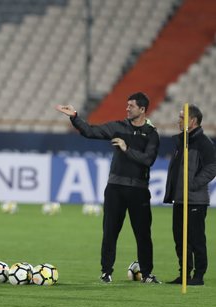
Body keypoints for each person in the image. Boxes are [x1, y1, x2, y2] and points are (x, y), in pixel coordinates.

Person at [55, 92, 161, 283]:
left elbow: (148, 160)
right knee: (110, 231)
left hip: (139, 191)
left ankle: (147, 274)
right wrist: (75, 117)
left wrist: (126, 148)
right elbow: (90, 131)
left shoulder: (152, 134)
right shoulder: (118, 127)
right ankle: (106, 272)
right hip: (115, 189)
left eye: (131, 106)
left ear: (142, 109)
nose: (127, 108)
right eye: (127, 105)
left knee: (143, 234)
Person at [164, 105, 216, 286]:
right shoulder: (181, 141)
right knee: (180, 238)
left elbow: (212, 168)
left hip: (195, 200)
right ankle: (184, 273)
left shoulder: (204, 143)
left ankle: (199, 275)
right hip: (180, 199)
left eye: (181, 117)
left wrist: (192, 184)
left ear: (192, 121)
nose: (178, 120)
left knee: (196, 239)